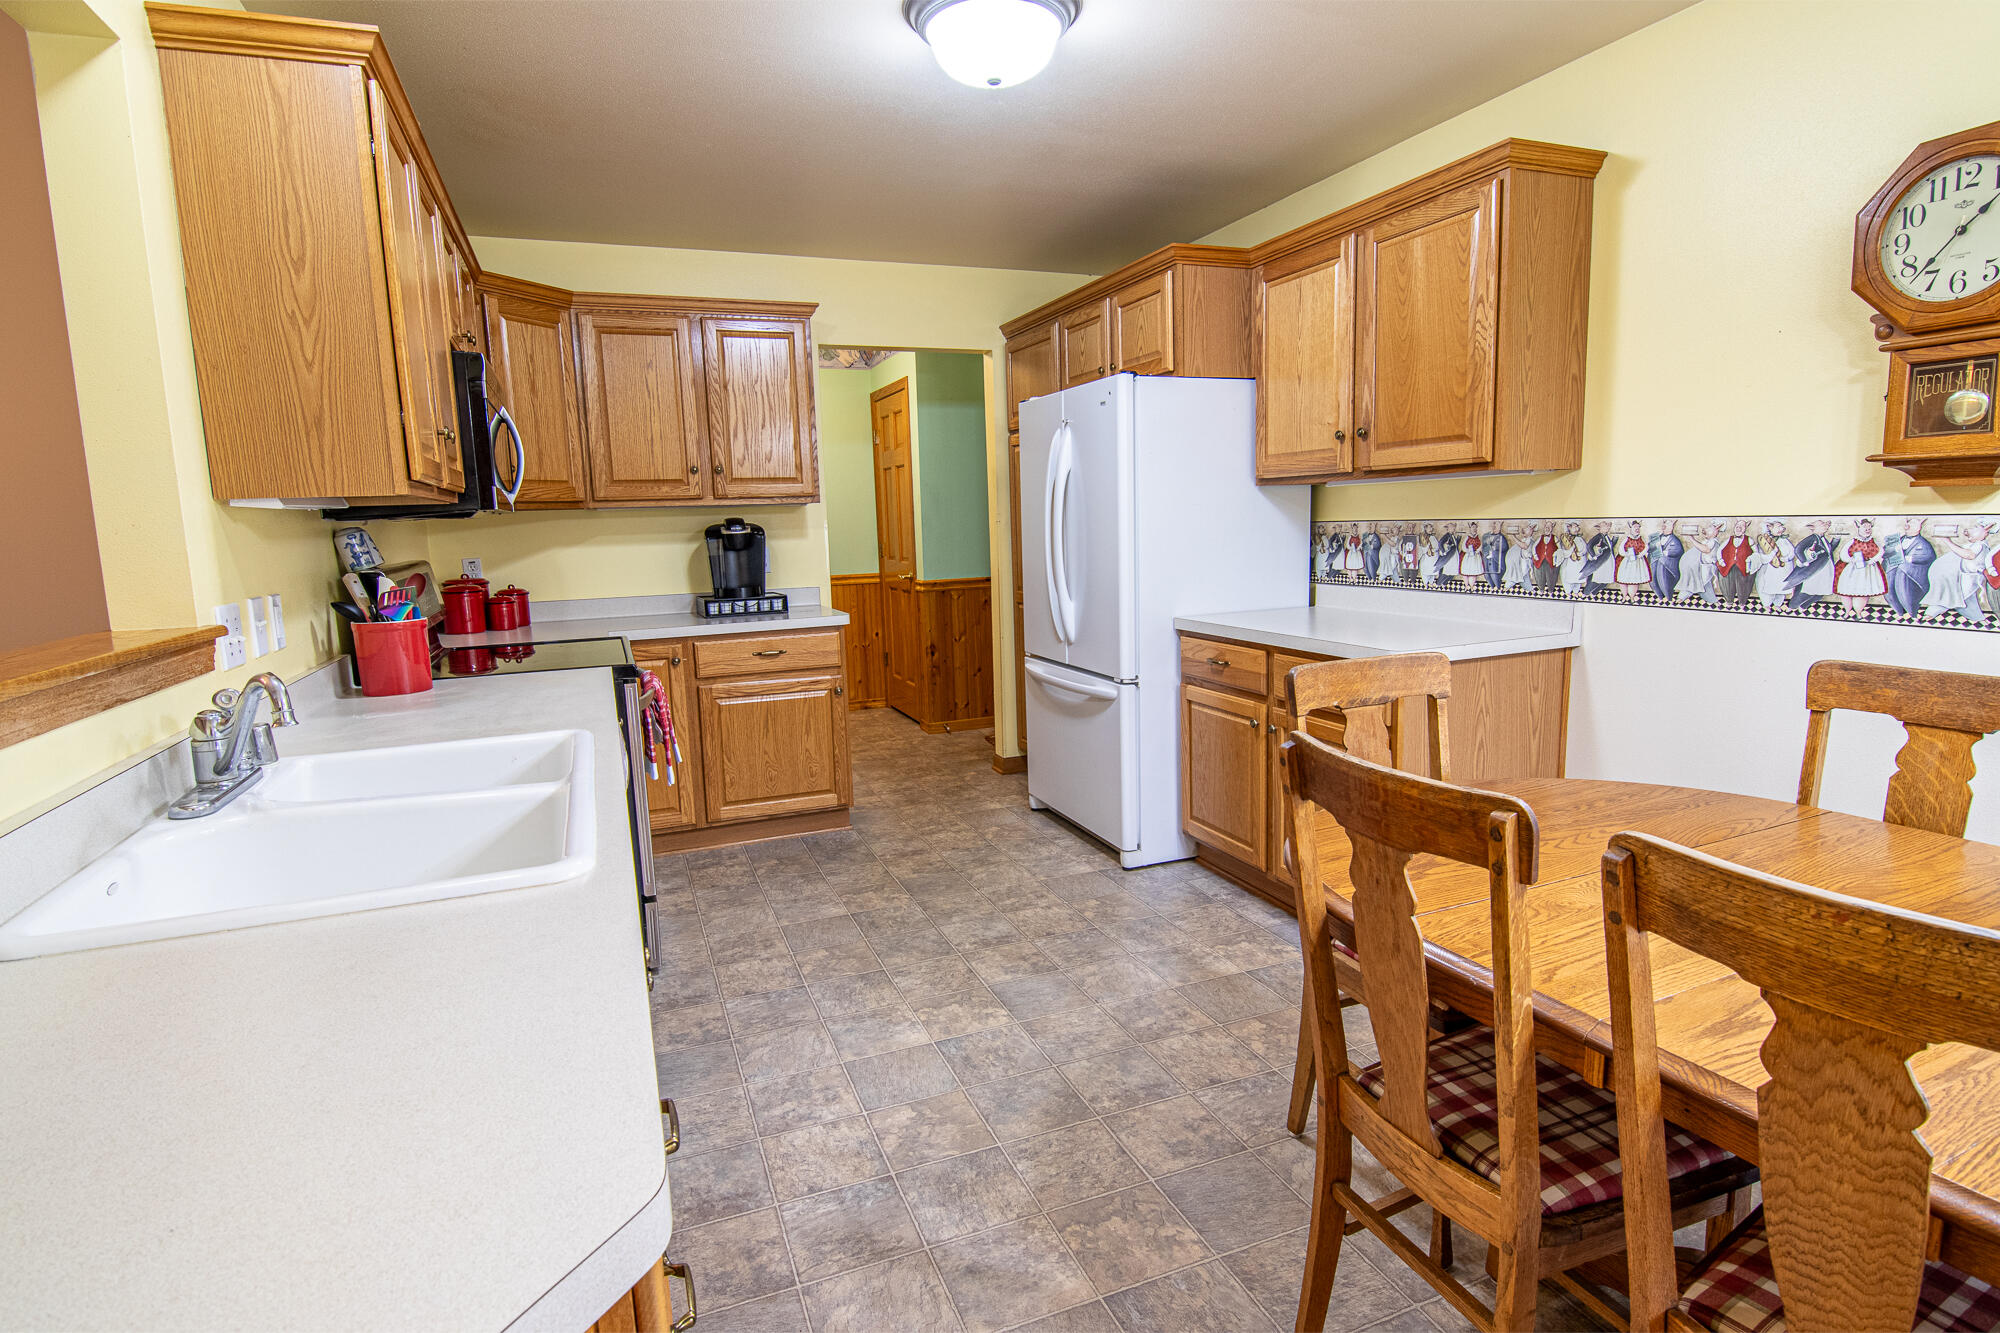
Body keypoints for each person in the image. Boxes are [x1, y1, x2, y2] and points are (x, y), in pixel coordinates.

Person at [1922, 521, 1995, 621]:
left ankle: (1932, 612)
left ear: (1985, 532)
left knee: (1954, 597)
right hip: (1964, 576)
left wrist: (1948, 541)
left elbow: (1969, 555)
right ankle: (1978, 618)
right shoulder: (1973, 544)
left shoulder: (1980, 545)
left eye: (1976, 527)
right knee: (1966, 600)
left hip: (1969, 577)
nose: (1970, 529)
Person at [1833, 517, 1886, 616]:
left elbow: (1881, 552)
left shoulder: (1874, 542)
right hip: (1851, 570)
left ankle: (1858, 612)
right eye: (1864, 527)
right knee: (1846, 591)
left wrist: (1872, 561)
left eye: (1869, 527)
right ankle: (1847, 611)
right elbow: (1843, 555)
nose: (1867, 530)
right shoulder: (1853, 541)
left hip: (1868, 570)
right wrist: (1852, 560)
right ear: (1859, 528)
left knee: (1863, 591)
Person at [1886, 516, 1935, 616]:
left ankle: (1911, 612)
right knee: (1889, 579)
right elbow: (1887, 553)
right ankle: (1898, 610)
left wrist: (1910, 558)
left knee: (1903, 575)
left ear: (1918, 528)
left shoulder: (1923, 543)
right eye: (1908, 524)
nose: (1908, 526)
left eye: (1912, 524)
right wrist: (1893, 550)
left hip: (1913, 576)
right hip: (1895, 572)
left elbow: (1928, 556)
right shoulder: (1899, 540)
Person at [1783, 518, 1835, 608]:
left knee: (1821, 592)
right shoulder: (1812, 538)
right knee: (1810, 591)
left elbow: (1829, 550)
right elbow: (1798, 549)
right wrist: (1804, 561)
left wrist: (1836, 539)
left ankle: (1803, 606)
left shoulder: (1823, 539)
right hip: (1816, 569)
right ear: (1813, 528)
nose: (1825, 526)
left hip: (1825, 569)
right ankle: (1792, 607)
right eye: (1821, 524)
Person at [1749, 519, 1794, 609]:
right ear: (1770, 527)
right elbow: (1762, 557)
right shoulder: (1763, 541)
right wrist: (1773, 554)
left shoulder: (1784, 540)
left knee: (1781, 588)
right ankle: (1766, 604)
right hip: (1769, 571)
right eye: (1778, 526)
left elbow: (1792, 552)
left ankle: (1778, 604)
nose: (1782, 528)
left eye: (1782, 526)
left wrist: (1785, 558)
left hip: (1784, 571)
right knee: (1768, 588)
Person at [1675, 521, 1721, 604]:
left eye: (1709, 528)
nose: (1706, 529)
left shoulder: (1713, 542)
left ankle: (1681, 598)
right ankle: (1713, 601)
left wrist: (1692, 539)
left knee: (1698, 583)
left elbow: (1705, 549)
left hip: (1706, 567)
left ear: (1715, 532)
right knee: (1700, 584)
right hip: (1700, 567)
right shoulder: (1707, 541)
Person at [1716, 519, 1754, 605]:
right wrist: (1721, 561)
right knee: (1727, 583)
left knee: (1743, 585)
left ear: (1745, 528)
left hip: (1743, 567)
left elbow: (1756, 553)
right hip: (1728, 565)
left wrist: (1750, 560)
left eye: (1742, 526)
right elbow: (1719, 550)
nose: (1739, 528)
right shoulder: (1729, 539)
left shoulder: (1749, 540)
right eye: (1737, 526)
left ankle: (1742, 602)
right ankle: (1729, 601)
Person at [1612, 519, 1650, 600]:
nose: (1637, 529)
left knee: (1634, 581)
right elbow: (1621, 550)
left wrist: (1640, 555)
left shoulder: (1641, 539)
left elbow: (1646, 548)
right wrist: (1628, 554)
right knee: (1623, 580)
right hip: (1626, 562)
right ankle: (1624, 596)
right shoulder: (1627, 539)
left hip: (1637, 563)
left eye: (1638, 527)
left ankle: (1632, 597)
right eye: (1635, 527)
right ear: (1631, 528)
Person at [1648, 523, 1684, 599]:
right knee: (1653, 581)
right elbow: (1650, 548)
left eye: (1666, 526)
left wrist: (1666, 553)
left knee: (1664, 582)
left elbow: (1678, 551)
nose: (1663, 527)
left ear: (1671, 528)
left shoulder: (1675, 540)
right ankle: (1659, 597)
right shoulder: (1657, 538)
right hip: (1655, 563)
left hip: (1667, 566)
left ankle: (1668, 598)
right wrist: (1653, 546)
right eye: (1663, 525)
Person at [1531, 521, 1560, 592]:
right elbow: (1533, 547)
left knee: (1551, 576)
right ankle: (1541, 589)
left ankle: (1550, 590)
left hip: (1550, 561)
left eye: (1549, 527)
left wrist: (1557, 557)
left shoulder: (1555, 538)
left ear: (1552, 528)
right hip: (1540, 560)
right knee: (1540, 575)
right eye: (1546, 527)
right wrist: (1535, 555)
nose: (1547, 529)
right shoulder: (1540, 537)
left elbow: (1560, 549)